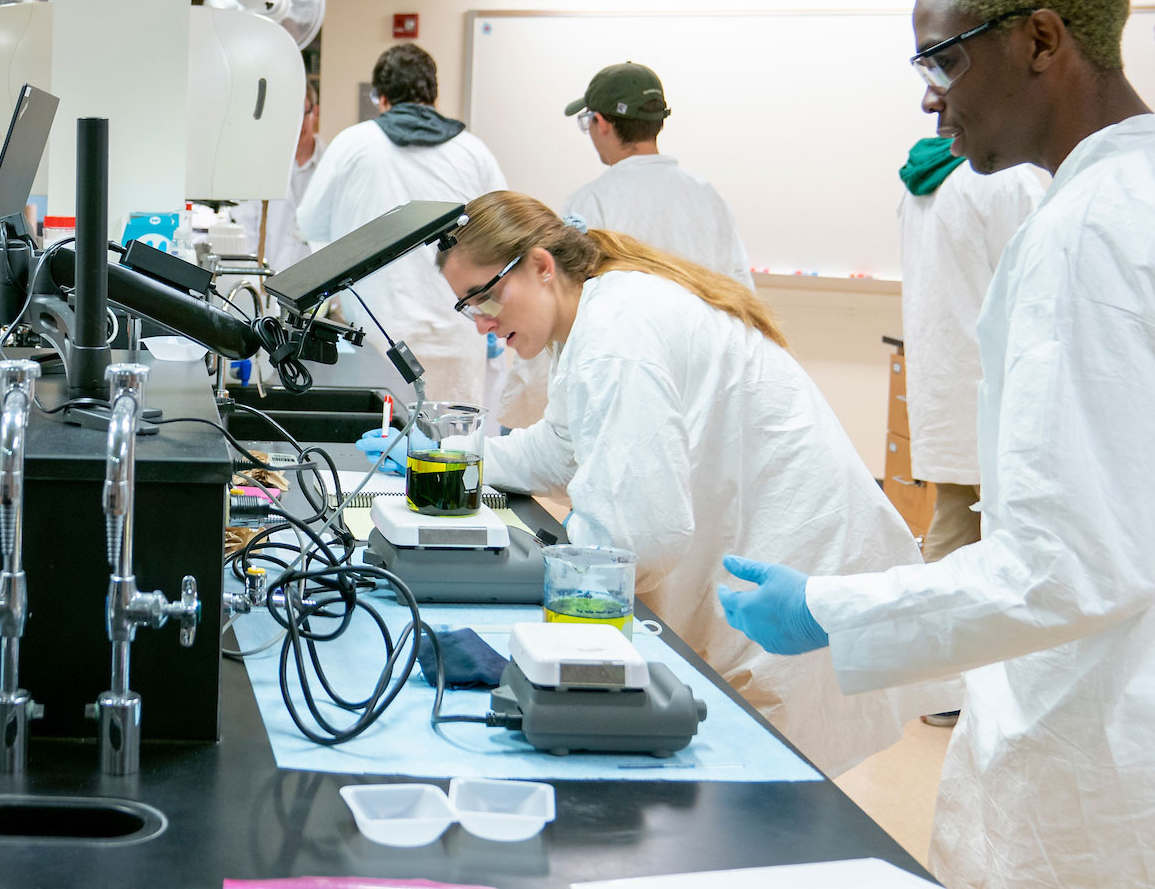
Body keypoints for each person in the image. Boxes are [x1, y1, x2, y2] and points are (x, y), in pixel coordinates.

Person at [718, 0, 1155, 889]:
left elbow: (1067, 565)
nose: (929, 93)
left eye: (943, 56)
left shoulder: (1092, 229)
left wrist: (829, 606)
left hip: (1137, 763)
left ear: (1042, 40)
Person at [429, 190, 939, 776]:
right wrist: (455, 456)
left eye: (485, 296)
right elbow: (560, 448)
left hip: (796, 566)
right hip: (766, 545)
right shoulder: (598, 316)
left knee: (767, 795)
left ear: (542, 266)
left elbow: (640, 536)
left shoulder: (615, 336)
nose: (483, 324)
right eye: (467, 307)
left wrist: (529, 585)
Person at [296, 43, 504, 405]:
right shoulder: (474, 152)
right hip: (456, 336)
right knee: (453, 448)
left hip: (379, 337)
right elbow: (505, 236)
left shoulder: (352, 144)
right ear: (434, 95)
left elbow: (311, 225)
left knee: (382, 446)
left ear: (380, 97)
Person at [895, 135, 1042, 567]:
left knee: (954, 525)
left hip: (942, 390)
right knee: (1017, 543)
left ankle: (920, 629)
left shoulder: (918, 184)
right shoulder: (1005, 181)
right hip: (996, 393)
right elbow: (1038, 284)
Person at [562, 62, 752, 287]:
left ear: (601, 123)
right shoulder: (708, 196)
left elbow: (573, 291)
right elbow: (741, 286)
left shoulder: (589, 202)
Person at [235, 76, 322, 275]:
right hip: (270, 277)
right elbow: (246, 225)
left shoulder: (331, 163)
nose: (299, 124)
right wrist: (253, 276)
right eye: (291, 115)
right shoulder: (263, 164)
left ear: (315, 113)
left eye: (304, 114)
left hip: (317, 282)